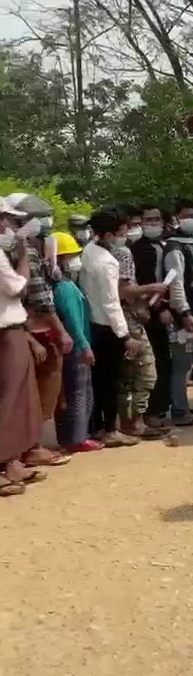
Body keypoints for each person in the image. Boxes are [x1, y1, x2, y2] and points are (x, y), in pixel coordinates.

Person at [10, 197, 73, 467]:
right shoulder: (27, 253)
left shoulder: (26, 250)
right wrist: (62, 331)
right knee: (42, 391)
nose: (45, 222)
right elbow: (40, 298)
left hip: (24, 328)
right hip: (37, 329)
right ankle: (32, 447)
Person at [80, 208, 140, 447]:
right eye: (121, 232)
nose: (124, 236)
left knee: (98, 380)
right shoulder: (107, 262)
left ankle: (98, 427)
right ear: (107, 235)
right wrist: (125, 335)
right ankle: (110, 429)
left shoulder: (88, 252)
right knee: (112, 380)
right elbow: (111, 302)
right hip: (107, 326)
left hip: (92, 322)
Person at [0, 198, 46, 495]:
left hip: (13, 330)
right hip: (6, 332)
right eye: (7, 220)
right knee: (10, 399)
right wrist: (25, 259)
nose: (9, 225)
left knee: (19, 398)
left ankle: (13, 460)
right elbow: (17, 287)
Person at [114, 208, 165, 439]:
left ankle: (129, 421)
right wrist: (151, 289)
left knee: (127, 374)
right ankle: (136, 422)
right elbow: (124, 290)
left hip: (119, 320)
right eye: (132, 224)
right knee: (146, 372)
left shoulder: (97, 253)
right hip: (129, 320)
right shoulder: (123, 253)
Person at [52, 232, 102, 453]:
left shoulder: (67, 285)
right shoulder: (64, 288)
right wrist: (85, 346)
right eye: (71, 256)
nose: (75, 260)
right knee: (78, 392)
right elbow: (72, 320)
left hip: (76, 346)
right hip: (76, 348)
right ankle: (77, 438)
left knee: (77, 391)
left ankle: (75, 436)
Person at [164, 199, 193, 426]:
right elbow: (176, 282)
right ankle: (180, 411)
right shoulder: (174, 246)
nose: (190, 219)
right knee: (182, 364)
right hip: (184, 314)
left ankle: (184, 407)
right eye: (185, 215)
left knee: (188, 364)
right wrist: (185, 311)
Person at [131, 205, 172, 428]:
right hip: (148, 312)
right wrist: (159, 308)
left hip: (163, 307)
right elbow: (145, 281)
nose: (153, 223)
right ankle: (151, 412)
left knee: (165, 362)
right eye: (148, 220)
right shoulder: (139, 248)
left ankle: (159, 409)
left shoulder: (164, 244)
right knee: (155, 363)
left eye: (156, 219)